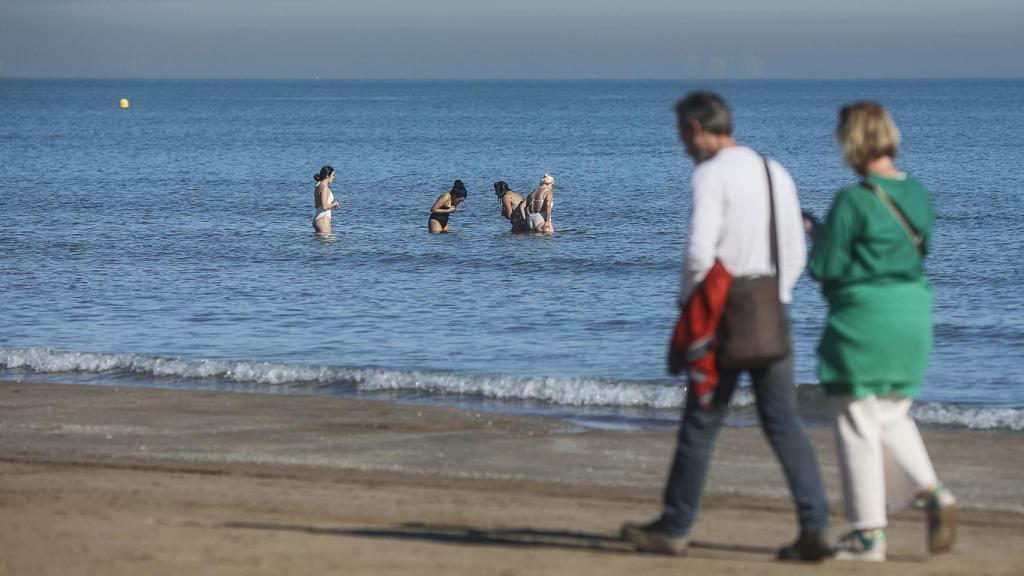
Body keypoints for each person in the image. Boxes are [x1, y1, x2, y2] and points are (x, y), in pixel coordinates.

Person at [620, 91, 832, 561]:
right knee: (783, 423)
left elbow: (700, 252)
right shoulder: (772, 170)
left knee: (702, 421)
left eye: (681, 134)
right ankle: (816, 524)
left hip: (721, 316)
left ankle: (674, 527)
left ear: (696, 128)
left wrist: (688, 307)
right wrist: (776, 297)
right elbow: (796, 249)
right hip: (770, 309)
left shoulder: (711, 174)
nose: (681, 144)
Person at [807, 101, 957, 562]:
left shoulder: (854, 200)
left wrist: (816, 233)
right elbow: (918, 248)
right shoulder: (918, 194)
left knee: (856, 422)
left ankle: (869, 534)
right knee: (890, 412)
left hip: (864, 319)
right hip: (913, 313)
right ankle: (933, 493)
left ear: (851, 142)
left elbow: (824, 267)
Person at [312, 165, 340, 235]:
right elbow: (324, 206)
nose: (334, 177)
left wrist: (331, 204)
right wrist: (334, 204)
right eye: (333, 175)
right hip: (323, 220)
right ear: (327, 176)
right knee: (330, 244)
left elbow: (317, 205)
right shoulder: (324, 187)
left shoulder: (318, 185)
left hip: (318, 218)